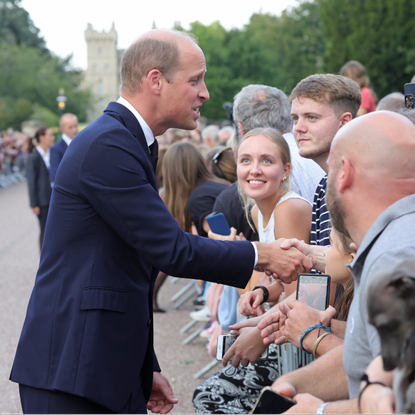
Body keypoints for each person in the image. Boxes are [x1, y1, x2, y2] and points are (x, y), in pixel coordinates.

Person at [10, 29, 313, 414]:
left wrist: (142, 364)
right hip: (74, 369)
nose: (204, 92)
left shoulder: (124, 140)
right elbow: (169, 248)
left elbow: (124, 271)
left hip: (96, 362)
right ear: (155, 80)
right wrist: (262, 255)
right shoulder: (110, 143)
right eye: (195, 80)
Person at [269, 111, 415, 413]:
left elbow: (404, 397)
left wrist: (321, 412)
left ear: (344, 173)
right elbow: (374, 359)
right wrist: (290, 385)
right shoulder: (392, 241)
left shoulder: (393, 258)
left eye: (330, 170)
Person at [25, 127, 54, 249]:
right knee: (45, 231)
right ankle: (44, 261)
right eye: (50, 135)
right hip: (43, 202)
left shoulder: (52, 154)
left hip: (54, 198)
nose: (52, 138)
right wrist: (34, 204)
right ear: (41, 137)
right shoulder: (33, 157)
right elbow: (31, 182)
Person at [49, 113, 78, 183]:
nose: (74, 130)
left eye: (75, 126)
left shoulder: (83, 142)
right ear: (62, 129)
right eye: (70, 127)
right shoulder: (56, 149)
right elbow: (55, 175)